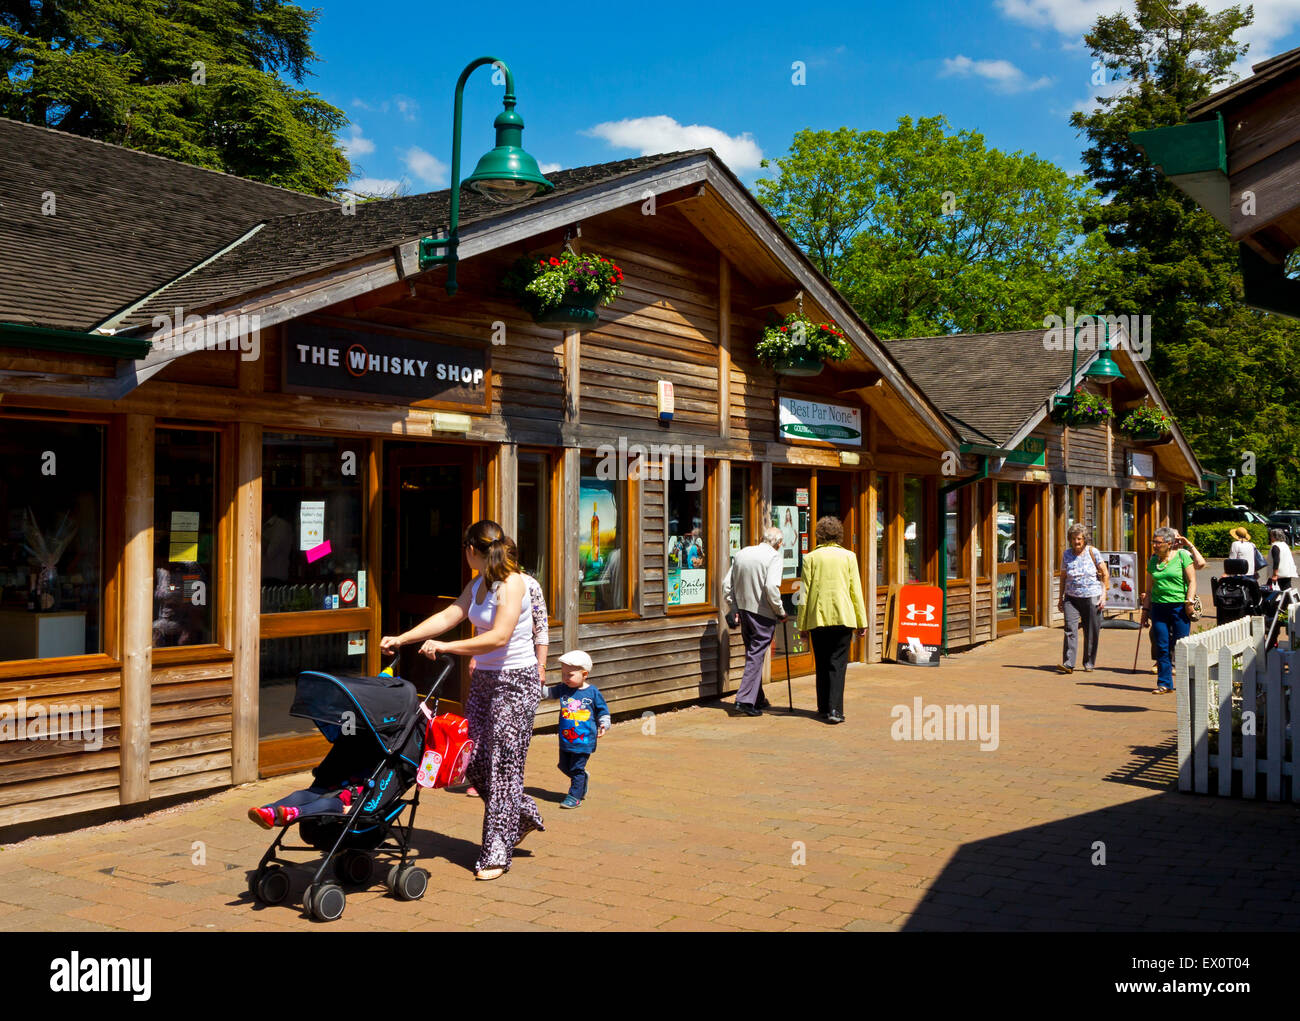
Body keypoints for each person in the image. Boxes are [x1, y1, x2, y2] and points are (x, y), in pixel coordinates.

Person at [380, 520, 544, 881]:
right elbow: (449, 615)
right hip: (485, 681)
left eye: (464, 548)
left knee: (503, 766)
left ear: (473, 549)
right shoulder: (479, 583)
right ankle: (522, 812)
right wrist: (403, 638)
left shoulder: (513, 583)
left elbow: (499, 637)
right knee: (473, 762)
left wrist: (447, 646)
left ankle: (496, 853)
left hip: (516, 683)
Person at [795, 516, 867, 724]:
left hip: (818, 617)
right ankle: (835, 709)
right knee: (837, 664)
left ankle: (823, 707)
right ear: (839, 534)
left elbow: (804, 594)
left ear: (819, 535)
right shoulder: (849, 557)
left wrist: (801, 625)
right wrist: (862, 621)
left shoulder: (811, 559)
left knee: (822, 663)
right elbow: (856, 591)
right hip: (843, 616)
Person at [723, 526, 786, 716]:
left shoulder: (742, 553)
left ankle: (757, 697)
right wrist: (781, 611)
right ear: (779, 544)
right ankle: (744, 700)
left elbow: (727, 584)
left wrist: (733, 607)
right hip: (763, 613)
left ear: (761, 538)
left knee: (753, 653)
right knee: (756, 654)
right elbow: (771, 588)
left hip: (744, 610)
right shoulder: (774, 557)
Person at [540, 650, 610, 809]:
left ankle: (574, 796)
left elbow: (603, 711)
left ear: (584, 674)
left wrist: (604, 724)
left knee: (576, 768)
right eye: (563, 674)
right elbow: (548, 694)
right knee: (564, 766)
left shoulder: (592, 692)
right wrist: (538, 685)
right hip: (565, 738)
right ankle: (582, 779)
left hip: (584, 740)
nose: (565, 678)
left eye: (569, 675)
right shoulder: (564, 688)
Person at [1141, 526, 1199, 695]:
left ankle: (1185, 682)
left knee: (1181, 645)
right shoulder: (1153, 561)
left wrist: (1189, 601)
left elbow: (1192, 580)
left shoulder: (1181, 556)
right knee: (1162, 645)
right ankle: (1165, 683)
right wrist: (1145, 611)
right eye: (1153, 542)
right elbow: (1149, 589)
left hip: (1179, 607)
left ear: (1169, 543)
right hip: (1159, 608)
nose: (1154, 546)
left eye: (1157, 543)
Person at [1056, 523, 1110, 673]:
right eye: (1073, 539)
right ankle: (1068, 663)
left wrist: (1103, 595)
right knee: (1070, 629)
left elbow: (1105, 574)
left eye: (1079, 538)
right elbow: (1063, 577)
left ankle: (1089, 662)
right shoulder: (1066, 554)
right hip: (1071, 597)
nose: (1076, 542)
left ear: (1084, 539)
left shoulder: (1093, 552)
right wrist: (1061, 598)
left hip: (1092, 596)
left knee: (1091, 630)